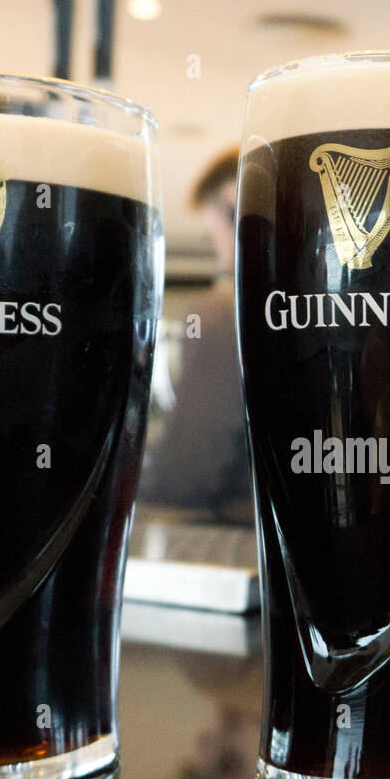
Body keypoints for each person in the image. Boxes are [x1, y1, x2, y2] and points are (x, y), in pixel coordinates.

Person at [138, 147, 251, 520]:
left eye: (213, 223)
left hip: (236, 537)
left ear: (234, 203)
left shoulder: (221, 314)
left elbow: (189, 468)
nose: (208, 232)